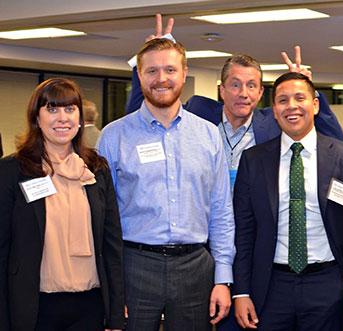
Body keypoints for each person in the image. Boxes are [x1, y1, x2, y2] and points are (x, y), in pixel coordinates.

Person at [97, 37, 235, 331]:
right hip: (133, 266)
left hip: (195, 268)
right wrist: (110, 285)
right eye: (152, 71)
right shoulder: (113, 136)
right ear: (140, 76)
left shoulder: (209, 135)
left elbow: (221, 210)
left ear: (184, 74)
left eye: (170, 70)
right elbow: (102, 218)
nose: (161, 79)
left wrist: (223, 278)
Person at [233, 72, 343, 331]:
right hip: (270, 286)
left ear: (316, 104)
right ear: (274, 110)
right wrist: (241, 292)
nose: (292, 106)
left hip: (329, 285)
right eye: (283, 100)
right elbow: (243, 231)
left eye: (300, 98)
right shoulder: (253, 160)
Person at [0, 78, 125, 330]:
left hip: (90, 305)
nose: (62, 118)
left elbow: (111, 243)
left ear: (80, 118)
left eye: (70, 109)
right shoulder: (13, 170)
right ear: (36, 118)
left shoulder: (96, 168)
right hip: (34, 307)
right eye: (52, 109)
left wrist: (115, 312)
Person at [125, 15, 343, 148]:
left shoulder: (273, 122)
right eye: (235, 84)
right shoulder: (199, 111)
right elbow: (141, 114)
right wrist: (145, 63)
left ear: (260, 93)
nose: (243, 93)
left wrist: (308, 89)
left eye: (251, 86)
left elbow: (334, 141)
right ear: (222, 91)